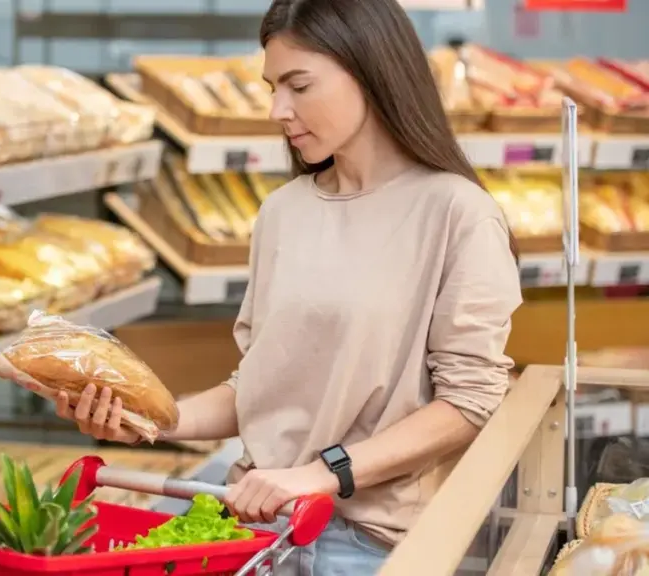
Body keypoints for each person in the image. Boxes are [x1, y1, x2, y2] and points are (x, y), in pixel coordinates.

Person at [54, 0, 522, 573]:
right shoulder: (283, 211)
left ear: (371, 73)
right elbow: (258, 387)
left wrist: (321, 474)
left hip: (364, 545)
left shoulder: (456, 212)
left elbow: (467, 402)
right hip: (255, 528)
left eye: (299, 86)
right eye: (273, 87)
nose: (278, 109)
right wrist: (154, 419)